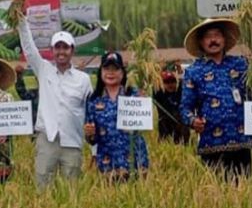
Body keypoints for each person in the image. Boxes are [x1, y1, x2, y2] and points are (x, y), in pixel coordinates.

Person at [17, 19, 92, 188]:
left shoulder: (83, 80)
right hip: (47, 138)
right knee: (42, 184)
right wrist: (21, 20)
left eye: (65, 47)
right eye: (57, 48)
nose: (61, 52)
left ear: (72, 50)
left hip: (72, 141)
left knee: (72, 189)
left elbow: (91, 112)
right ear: (52, 50)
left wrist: (93, 144)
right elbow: (29, 49)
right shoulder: (44, 70)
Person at [180, 17, 252, 179]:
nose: (213, 40)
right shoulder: (193, 71)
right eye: (208, 36)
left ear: (225, 39)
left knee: (245, 195)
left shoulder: (241, 65)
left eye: (217, 35)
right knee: (215, 196)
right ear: (201, 42)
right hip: (211, 144)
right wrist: (193, 121)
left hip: (241, 141)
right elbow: (185, 108)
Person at [84, 51, 149, 182]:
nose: (110, 73)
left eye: (115, 69)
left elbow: (144, 126)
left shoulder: (134, 95)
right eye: (106, 68)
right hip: (107, 164)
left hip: (135, 161)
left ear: (122, 72)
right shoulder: (94, 100)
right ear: (101, 72)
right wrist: (89, 134)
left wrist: (144, 101)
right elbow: (92, 140)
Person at [153, 70, 190, 145]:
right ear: (162, 84)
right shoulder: (160, 94)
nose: (170, 84)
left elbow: (184, 81)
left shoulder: (180, 93)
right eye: (167, 82)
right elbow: (153, 85)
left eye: (173, 81)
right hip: (165, 129)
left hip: (180, 129)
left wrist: (178, 71)